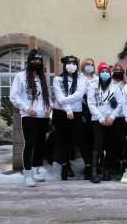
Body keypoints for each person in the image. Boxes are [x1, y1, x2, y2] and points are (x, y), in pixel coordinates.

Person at [9, 50, 52, 187]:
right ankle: (27, 174)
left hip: (42, 116)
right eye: (34, 60)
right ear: (29, 61)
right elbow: (14, 97)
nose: (37, 63)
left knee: (40, 143)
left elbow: (47, 96)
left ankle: (34, 171)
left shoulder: (42, 78)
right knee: (30, 143)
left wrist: (48, 108)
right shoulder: (20, 77)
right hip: (29, 115)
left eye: (39, 60)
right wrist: (27, 108)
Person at [87, 62, 124, 183]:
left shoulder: (115, 87)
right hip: (98, 121)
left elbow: (120, 103)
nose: (104, 73)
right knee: (97, 145)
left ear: (110, 73)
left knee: (110, 146)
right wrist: (101, 118)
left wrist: (112, 117)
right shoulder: (93, 86)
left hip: (112, 121)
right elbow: (91, 104)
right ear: (99, 73)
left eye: (107, 72)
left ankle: (106, 171)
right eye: (102, 71)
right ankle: (94, 172)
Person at [52, 55, 89, 180]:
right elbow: (58, 95)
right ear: (64, 65)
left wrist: (64, 101)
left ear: (77, 66)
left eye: (74, 63)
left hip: (76, 113)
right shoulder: (57, 79)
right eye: (69, 63)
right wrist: (67, 109)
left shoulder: (81, 78)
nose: (71, 65)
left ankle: (88, 166)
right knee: (62, 140)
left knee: (81, 139)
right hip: (60, 113)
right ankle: (64, 166)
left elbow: (79, 94)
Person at [80, 57, 98, 181]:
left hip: (96, 112)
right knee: (84, 140)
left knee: (95, 140)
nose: (89, 66)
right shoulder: (79, 78)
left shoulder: (97, 79)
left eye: (91, 64)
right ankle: (87, 165)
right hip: (82, 111)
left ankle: (95, 165)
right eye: (87, 64)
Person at [110, 63, 127, 176]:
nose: (117, 71)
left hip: (124, 116)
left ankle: (123, 162)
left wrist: (125, 76)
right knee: (113, 141)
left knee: (123, 141)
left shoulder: (125, 84)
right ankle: (114, 164)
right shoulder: (110, 83)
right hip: (112, 116)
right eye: (115, 70)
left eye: (119, 70)